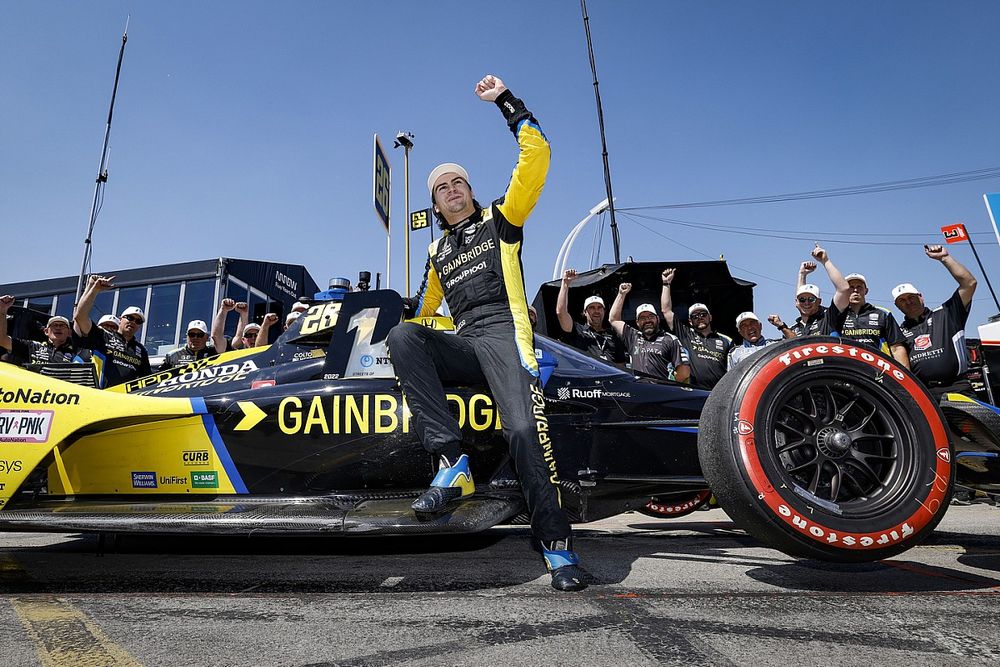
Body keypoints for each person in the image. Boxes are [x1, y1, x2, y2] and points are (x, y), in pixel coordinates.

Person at [386, 74, 584, 592]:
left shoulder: (503, 218)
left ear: (471, 193)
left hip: (507, 337)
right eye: (441, 189)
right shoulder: (436, 253)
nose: (451, 192)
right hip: (466, 341)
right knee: (404, 336)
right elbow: (425, 311)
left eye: (458, 184)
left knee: (523, 434)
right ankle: (453, 463)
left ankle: (557, 546)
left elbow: (536, 158)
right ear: (435, 205)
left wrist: (506, 102)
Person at [893, 244, 978, 398]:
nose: (908, 302)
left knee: (974, 423)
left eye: (911, 297)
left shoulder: (947, 313)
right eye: (902, 300)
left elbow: (969, 283)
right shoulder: (899, 332)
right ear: (897, 306)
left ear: (921, 297)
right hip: (926, 396)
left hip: (958, 389)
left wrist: (945, 258)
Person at [73, 275, 151, 387]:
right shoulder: (103, 336)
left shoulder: (141, 350)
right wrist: (94, 290)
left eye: (138, 321)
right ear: (120, 319)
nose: (133, 322)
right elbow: (80, 316)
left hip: (125, 400)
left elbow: (147, 380)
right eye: (129, 318)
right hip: (101, 395)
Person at [659, 269, 732, 389]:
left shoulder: (726, 340)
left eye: (703, 314)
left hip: (718, 394)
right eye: (695, 316)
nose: (700, 318)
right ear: (690, 321)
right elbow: (666, 311)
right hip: (693, 393)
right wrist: (666, 283)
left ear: (710, 317)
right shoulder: (685, 334)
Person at [609, 283, 690, 382]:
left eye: (651, 316)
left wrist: (670, 385)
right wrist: (621, 294)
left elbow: (684, 372)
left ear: (658, 319)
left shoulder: (670, 339)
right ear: (637, 322)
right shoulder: (633, 337)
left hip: (662, 392)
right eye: (642, 318)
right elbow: (613, 320)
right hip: (639, 391)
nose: (647, 320)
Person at [555, 269, 626, 365]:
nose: (596, 311)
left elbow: (621, 366)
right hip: (586, 378)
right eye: (592, 308)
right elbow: (561, 313)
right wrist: (565, 284)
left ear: (604, 311)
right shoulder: (577, 330)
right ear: (584, 312)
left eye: (599, 307)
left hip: (610, 378)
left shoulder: (613, 336)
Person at [0, 296, 84, 365]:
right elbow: (2, 340)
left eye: (62, 326)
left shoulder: (75, 354)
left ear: (69, 332)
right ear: (46, 331)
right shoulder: (33, 347)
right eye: (54, 325)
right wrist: (2, 311)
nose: (58, 327)